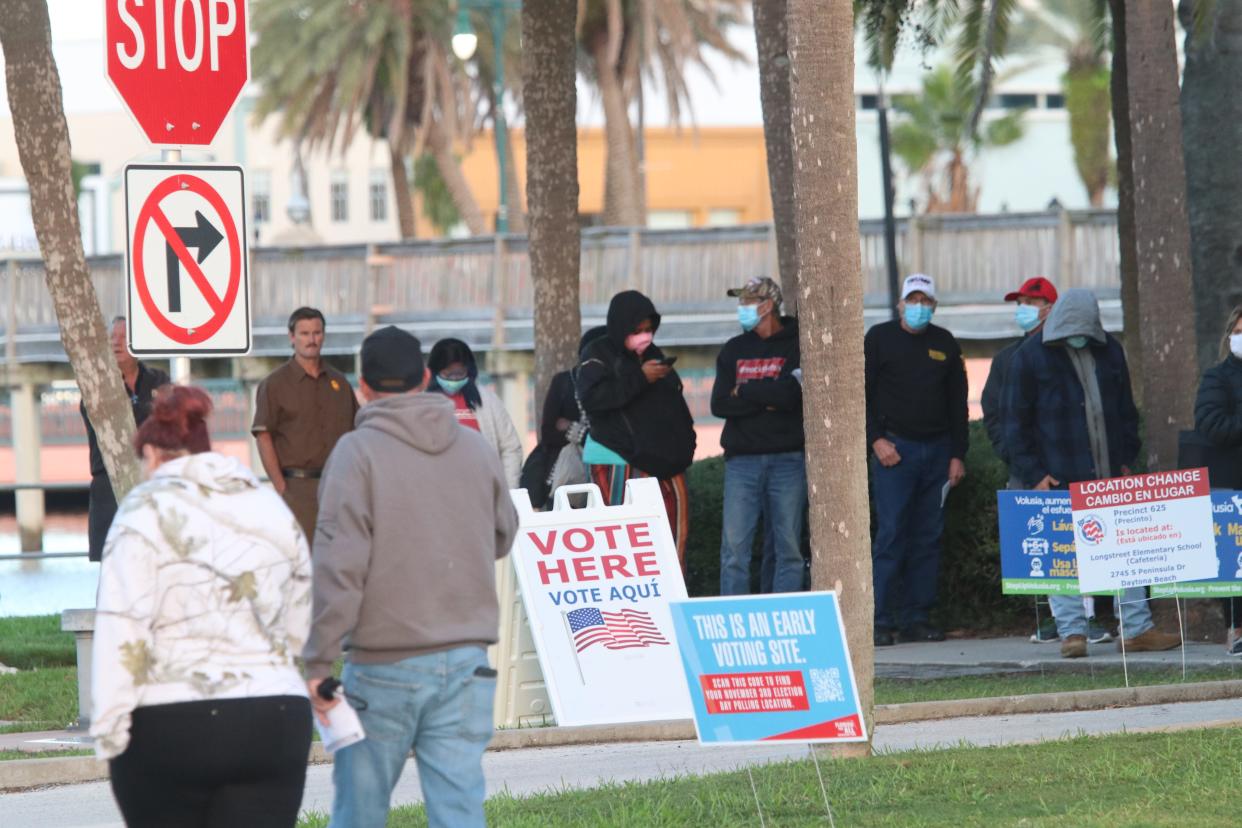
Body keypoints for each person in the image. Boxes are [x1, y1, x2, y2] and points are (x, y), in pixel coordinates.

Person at [303, 325, 518, 828]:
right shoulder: (476, 449)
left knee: (360, 812)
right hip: (467, 661)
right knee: (461, 812)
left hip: (383, 665)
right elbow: (504, 535)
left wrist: (318, 659)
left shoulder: (355, 455)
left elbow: (340, 569)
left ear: (362, 385)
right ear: (424, 378)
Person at [91, 385, 312, 827]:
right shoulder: (269, 506)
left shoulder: (142, 511)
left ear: (153, 454)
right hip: (275, 714)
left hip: (173, 720)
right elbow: (300, 617)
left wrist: (110, 729)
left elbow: (123, 628)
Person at [1003, 288, 1181, 659]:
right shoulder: (1030, 357)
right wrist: (1035, 473)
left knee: (1126, 552)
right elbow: (1014, 423)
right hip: (1058, 477)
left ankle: (1136, 629)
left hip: (1109, 476)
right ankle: (1072, 633)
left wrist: (1126, 457)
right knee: (1063, 557)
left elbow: (1126, 412)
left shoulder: (1110, 351)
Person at [865, 273, 968, 646]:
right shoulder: (878, 339)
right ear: (900, 303)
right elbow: (862, 395)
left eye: (926, 302)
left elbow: (958, 403)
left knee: (927, 537)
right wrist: (876, 440)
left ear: (934, 306)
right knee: (891, 535)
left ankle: (916, 617)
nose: (919, 307)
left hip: (938, 452)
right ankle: (880, 620)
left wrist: (958, 454)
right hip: (895, 451)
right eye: (913, 299)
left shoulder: (945, 343)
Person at [577, 290, 697, 569]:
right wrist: (641, 378)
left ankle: (673, 599)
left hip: (666, 461)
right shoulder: (598, 354)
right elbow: (595, 399)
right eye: (637, 330)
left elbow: (673, 404)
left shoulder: (653, 355)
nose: (644, 336)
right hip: (618, 459)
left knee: (672, 539)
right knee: (623, 544)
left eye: (648, 329)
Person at [711, 276, 805, 595]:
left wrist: (746, 391)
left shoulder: (797, 344)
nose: (742, 309)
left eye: (748, 302)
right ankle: (734, 617)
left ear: (767, 306)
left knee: (788, 549)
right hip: (742, 463)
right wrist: (767, 398)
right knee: (734, 550)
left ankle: (785, 616)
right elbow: (720, 403)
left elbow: (791, 396)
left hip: (788, 460)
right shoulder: (733, 349)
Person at [251, 307, 358, 539]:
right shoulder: (275, 384)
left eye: (317, 333)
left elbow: (355, 433)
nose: (312, 340)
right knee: (304, 563)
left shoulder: (340, 383)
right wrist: (281, 487)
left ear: (324, 335)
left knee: (342, 559)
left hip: (338, 487)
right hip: (296, 489)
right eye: (304, 333)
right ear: (292, 337)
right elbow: (263, 435)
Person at [81, 316, 170, 562]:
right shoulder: (97, 384)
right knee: (113, 566)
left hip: (152, 482)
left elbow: (171, 423)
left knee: (156, 560)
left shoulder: (159, 380)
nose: (116, 343)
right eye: (112, 337)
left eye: (124, 337)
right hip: (109, 485)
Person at [1193, 305, 1242, 655]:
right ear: (1229, 336)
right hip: (1233, 483)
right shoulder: (1217, 378)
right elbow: (1210, 424)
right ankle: (1237, 629)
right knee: (1237, 562)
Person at [522, 327, 608, 508]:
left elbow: (616, 435)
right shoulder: (563, 382)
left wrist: (576, 430)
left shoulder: (617, 386)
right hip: (563, 474)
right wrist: (586, 436)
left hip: (607, 473)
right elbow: (548, 432)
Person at [427, 338, 524, 488]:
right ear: (434, 373)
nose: (453, 380)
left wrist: (508, 490)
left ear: (469, 371)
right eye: (447, 375)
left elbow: (510, 447)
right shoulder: (422, 404)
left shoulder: (488, 401)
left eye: (459, 374)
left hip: (483, 488)